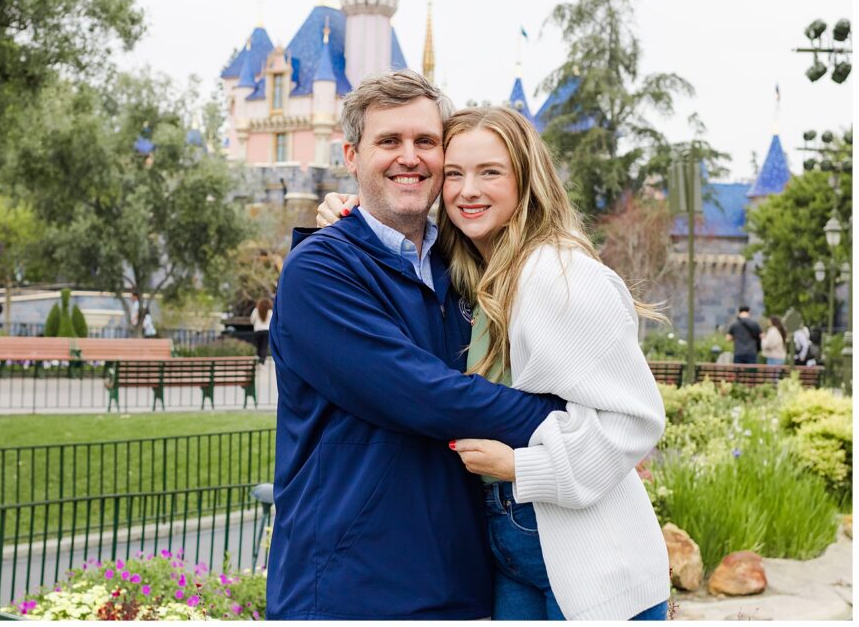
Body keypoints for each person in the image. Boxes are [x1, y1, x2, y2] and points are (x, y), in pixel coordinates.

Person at [319, 105, 669, 620]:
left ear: (525, 181)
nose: (467, 191)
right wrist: (354, 212)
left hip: (590, 553)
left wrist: (523, 467)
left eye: (490, 172)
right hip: (510, 551)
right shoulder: (472, 274)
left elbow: (635, 419)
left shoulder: (557, 272)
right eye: (455, 174)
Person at [268, 70, 567, 620]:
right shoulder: (321, 271)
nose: (410, 156)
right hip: (353, 590)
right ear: (352, 156)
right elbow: (427, 396)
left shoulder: (465, 267)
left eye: (425, 142)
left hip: (465, 585)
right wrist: (563, 417)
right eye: (389, 141)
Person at [249, 297, 272, 364]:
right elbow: (272, 322)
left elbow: (252, 320)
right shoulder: (270, 312)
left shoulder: (256, 310)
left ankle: (258, 359)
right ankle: (262, 361)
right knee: (264, 347)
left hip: (257, 330)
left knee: (257, 346)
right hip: (266, 331)